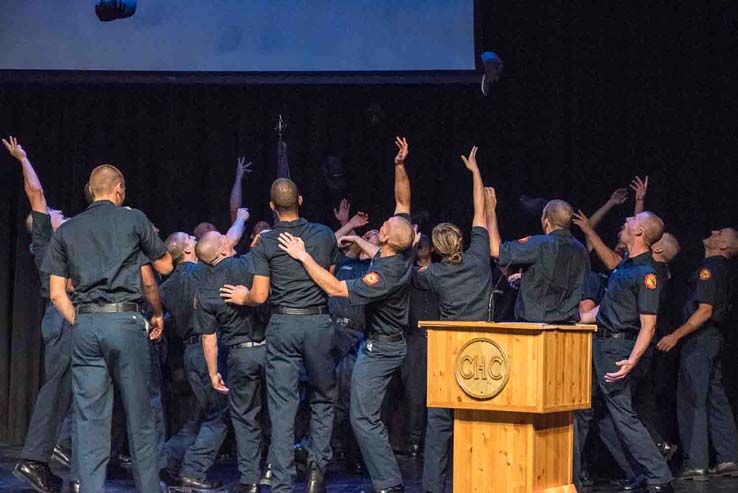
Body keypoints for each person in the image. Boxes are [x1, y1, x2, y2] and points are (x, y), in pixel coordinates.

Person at [278, 136, 416, 493]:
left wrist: (304, 256)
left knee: (362, 418)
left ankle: (388, 483)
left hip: (381, 349)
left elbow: (338, 289)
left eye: (383, 226)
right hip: (383, 343)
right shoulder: (399, 255)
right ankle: (388, 479)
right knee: (361, 415)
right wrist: (400, 165)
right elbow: (403, 200)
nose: (384, 221)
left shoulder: (381, 275)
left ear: (386, 238)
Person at [41, 164, 174, 493]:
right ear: (119, 189)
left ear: (90, 190)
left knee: (89, 420)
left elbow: (57, 293)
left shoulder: (67, 230)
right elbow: (164, 266)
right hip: (125, 321)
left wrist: (81, 321)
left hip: (85, 325)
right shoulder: (133, 219)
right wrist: (156, 312)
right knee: (140, 415)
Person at [220, 177, 339, 493]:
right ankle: (317, 471)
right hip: (318, 323)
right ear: (300, 200)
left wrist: (243, 296)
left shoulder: (267, 242)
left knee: (282, 406)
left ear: (272, 207)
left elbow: (259, 296)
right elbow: (331, 278)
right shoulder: (325, 235)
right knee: (324, 397)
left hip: (283, 326)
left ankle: (283, 484)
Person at [413, 146, 492, 493]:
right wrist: (475, 172)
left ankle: (433, 487)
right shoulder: (478, 258)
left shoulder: (434, 275)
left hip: (448, 350)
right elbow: (480, 211)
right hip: (482, 347)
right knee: (476, 420)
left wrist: (410, 242)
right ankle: (475, 481)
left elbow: (407, 273)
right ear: (460, 240)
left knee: (440, 422)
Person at [580, 211, 673, 493]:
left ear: (640, 233)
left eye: (633, 220)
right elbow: (605, 310)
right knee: (602, 414)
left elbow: (649, 324)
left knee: (623, 414)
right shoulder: (625, 267)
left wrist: (631, 360)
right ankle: (640, 471)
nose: (626, 221)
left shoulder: (647, 273)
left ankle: (659, 476)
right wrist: (571, 319)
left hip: (618, 349)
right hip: (603, 342)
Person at [4, 136, 70, 493]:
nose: (61, 214)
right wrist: (24, 160)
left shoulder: (65, 241)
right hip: (61, 317)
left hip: (68, 317)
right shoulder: (45, 239)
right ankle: (34, 459)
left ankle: (55, 452)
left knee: (73, 387)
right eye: (56, 214)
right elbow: (37, 195)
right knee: (57, 386)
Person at [656, 228, 738, 481]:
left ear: (724, 246)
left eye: (719, 233)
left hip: (700, 340)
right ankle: (728, 458)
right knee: (716, 399)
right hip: (714, 340)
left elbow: (704, 310)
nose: (713, 232)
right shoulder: (723, 269)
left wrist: (675, 335)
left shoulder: (711, 268)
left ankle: (696, 463)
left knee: (693, 400)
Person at [195, 231, 268, 493]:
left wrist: (214, 373)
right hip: (272, 349)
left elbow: (209, 337)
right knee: (281, 411)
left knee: (245, 417)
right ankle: (277, 471)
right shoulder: (250, 263)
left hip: (239, 355)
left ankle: (250, 480)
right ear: (224, 249)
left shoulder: (204, 289)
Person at [159, 232, 228, 491]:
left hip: (189, 352)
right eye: (190, 237)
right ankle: (194, 471)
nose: (194, 237)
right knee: (220, 412)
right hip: (209, 348)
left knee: (203, 412)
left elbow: (165, 317)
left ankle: (167, 459)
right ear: (188, 250)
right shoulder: (203, 273)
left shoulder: (166, 287)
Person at [488, 193, 590, 324]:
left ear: (546, 219)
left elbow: (496, 251)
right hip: (568, 330)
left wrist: (490, 210)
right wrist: (527, 278)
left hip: (536, 329)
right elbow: (559, 279)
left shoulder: (541, 244)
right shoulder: (581, 250)